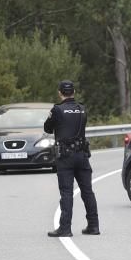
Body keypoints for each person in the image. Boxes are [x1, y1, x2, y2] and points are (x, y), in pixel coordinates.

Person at [43, 80, 99, 237]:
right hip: (82, 155)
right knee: (87, 191)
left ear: (60, 93)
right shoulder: (82, 109)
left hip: (65, 157)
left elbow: (47, 128)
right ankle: (94, 226)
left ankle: (65, 228)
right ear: (73, 92)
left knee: (66, 192)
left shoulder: (57, 110)